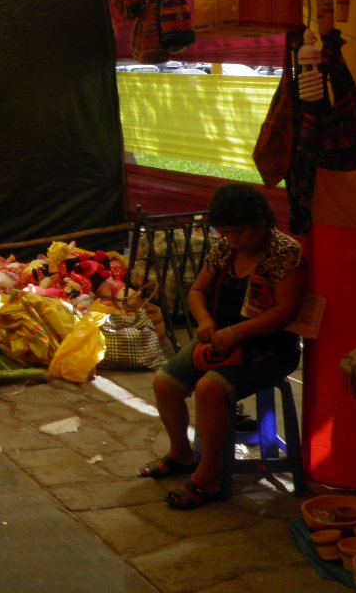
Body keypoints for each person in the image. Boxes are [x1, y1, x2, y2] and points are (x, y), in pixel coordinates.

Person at [140, 182, 305, 510]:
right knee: (165, 383)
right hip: (220, 338)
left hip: (269, 349)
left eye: (239, 232)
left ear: (262, 222)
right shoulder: (224, 250)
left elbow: (286, 311)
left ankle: (209, 474)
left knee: (210, 389)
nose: (232, 239)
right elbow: (197, 292)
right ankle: (181, 454)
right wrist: (205, 320)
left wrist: (237, 332)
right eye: (226, 232)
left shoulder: (284, 252)